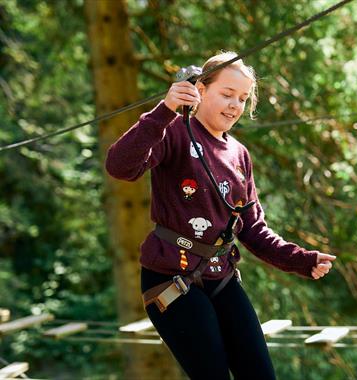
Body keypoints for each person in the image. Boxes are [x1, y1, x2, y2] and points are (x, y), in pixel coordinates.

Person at [105, 51, 336, 380]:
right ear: (199, 90)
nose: (234, 105)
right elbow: (120, 166)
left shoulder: (239, 154)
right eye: (226, 94)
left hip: (222, 277)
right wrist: (164, 111)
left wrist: (302, 260)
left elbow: (253, 229)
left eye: (242, 99)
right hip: (172, 278)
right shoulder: (173, 131)